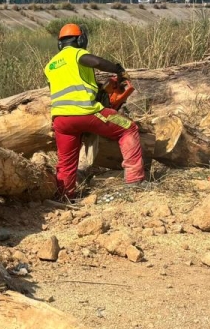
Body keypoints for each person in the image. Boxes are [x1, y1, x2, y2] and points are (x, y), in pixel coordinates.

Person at [44, 23, 145, 199]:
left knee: (66, 162)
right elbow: (96, 62)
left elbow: (67, 85)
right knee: (128, 128)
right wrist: (117, 69)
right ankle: (135, 180)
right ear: (81, 39)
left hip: (61, 120)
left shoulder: (51, 65)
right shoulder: (76, 54)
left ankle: (65, 196)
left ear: (59, 43)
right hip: (87, 113)